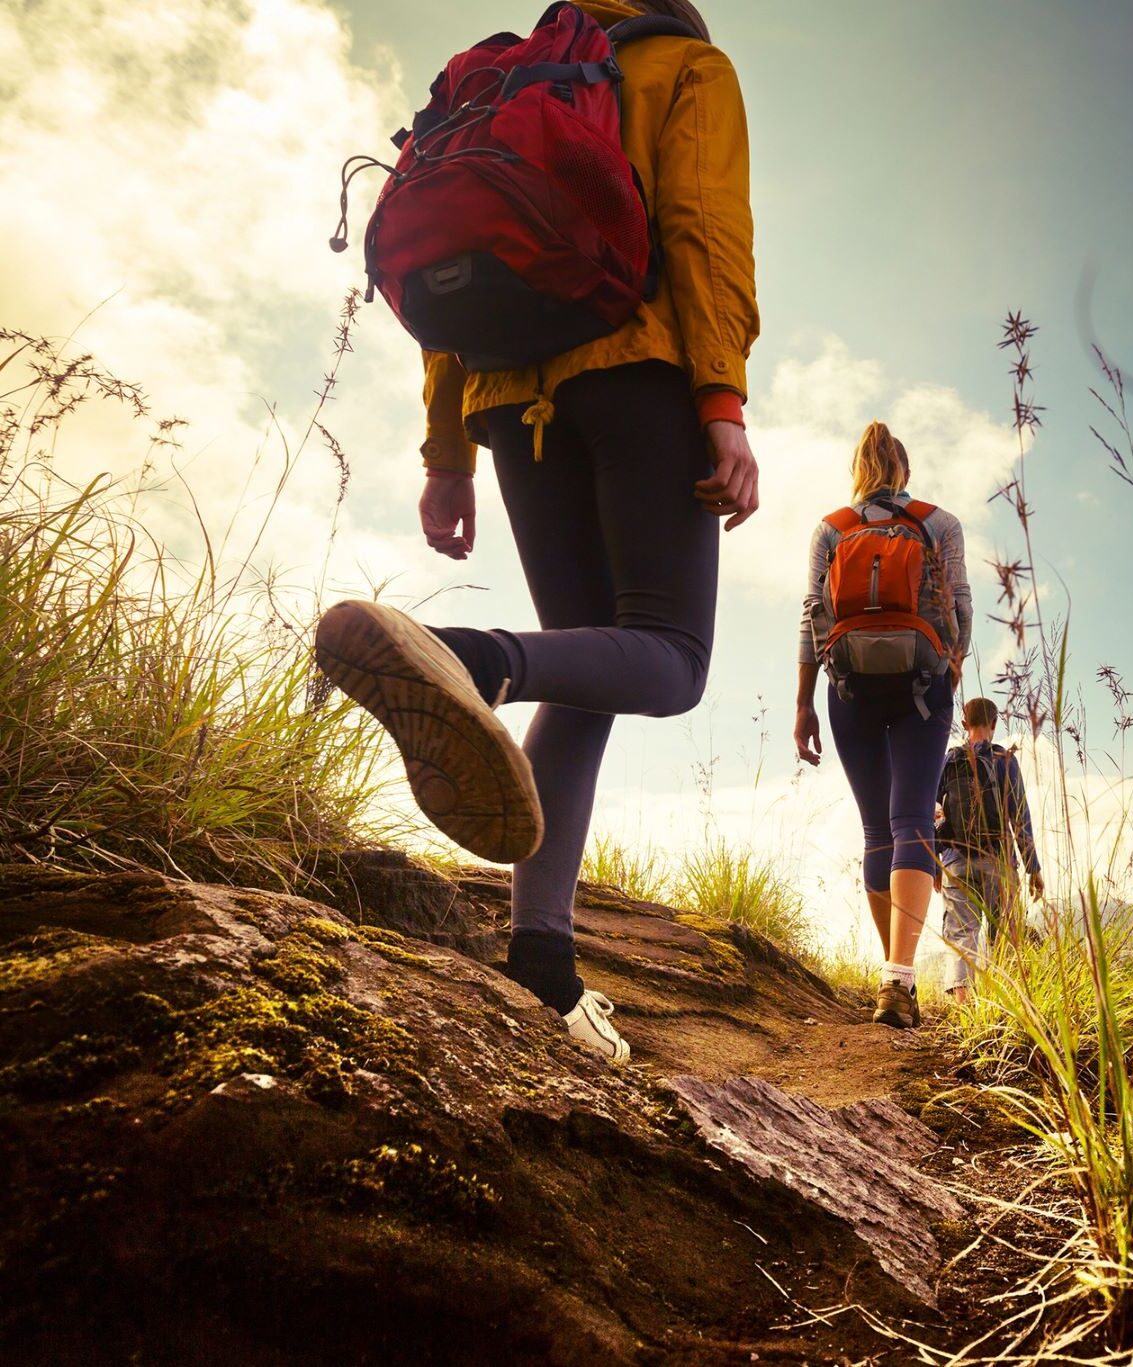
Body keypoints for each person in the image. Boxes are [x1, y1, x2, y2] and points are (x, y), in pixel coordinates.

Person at [314, 0, 757, 1064]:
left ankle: (542, 965)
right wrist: (723, 403)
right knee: (671, 656)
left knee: (590, 671)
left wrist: (447, 453)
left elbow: (446, 285)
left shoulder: (501, 80)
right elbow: (702, 226)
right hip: (638, 371)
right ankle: (468, 661)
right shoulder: (685, 66)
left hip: (508, 398)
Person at [795, 422, 971, 1029]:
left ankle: (892, 975)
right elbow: (962, 609)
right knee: (913, 822)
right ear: (905, 472)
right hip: (923, 686)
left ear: (858, 472)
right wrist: (948, 674)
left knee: (877, 830)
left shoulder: (832, 529)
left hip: (848, 689)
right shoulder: (938, 522)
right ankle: (900, 974)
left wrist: (805, 703)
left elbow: (810, 619)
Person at [936, 697, 1044, 1002]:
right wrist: (1033, 867)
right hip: (999, 860)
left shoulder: (947, 761)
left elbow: (931, 811)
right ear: (994, 724)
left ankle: (965, 1008)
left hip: (955, 860)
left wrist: (934, 864)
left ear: (964, 723)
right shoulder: (1005, 760)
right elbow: (1019, 816)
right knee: (1005, 935)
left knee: (961, 933)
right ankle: (1004, 1007)